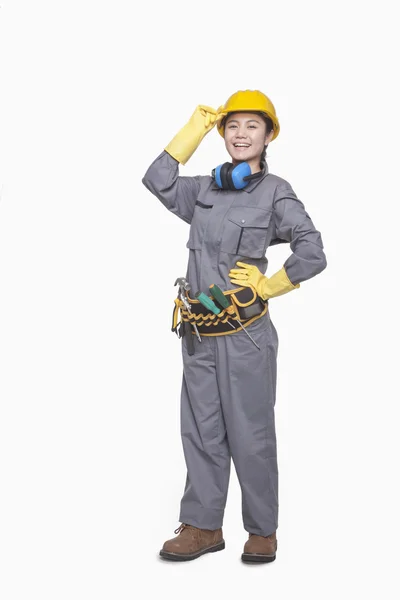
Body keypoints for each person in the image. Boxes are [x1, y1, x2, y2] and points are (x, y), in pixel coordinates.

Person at [142, 89, 327, 563]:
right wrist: (192, 131)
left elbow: (312, 250)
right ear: (222, 134)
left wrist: (272, 285)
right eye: (232, 126)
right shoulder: (204, 188)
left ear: (269, 136)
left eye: (252, 126)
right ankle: (203, 526)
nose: (241, 134)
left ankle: (262, 530)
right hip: (198, 336)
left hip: (245, 337)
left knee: (250, 432)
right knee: (201, 431)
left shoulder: (275, 192)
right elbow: (158, 180)